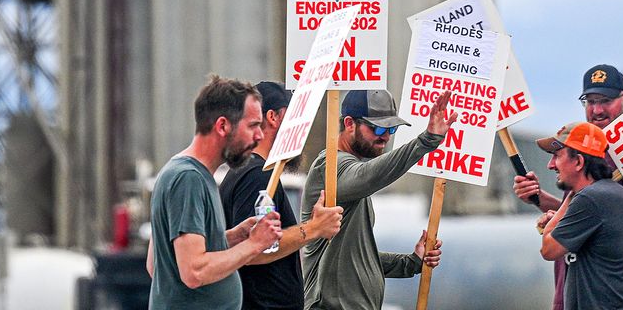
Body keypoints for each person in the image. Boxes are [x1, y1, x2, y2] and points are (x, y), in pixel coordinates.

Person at [513, 64, 623, 309]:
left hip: (608, 296)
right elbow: (580, 210)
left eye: (605, 100)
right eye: (589, 101)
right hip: (573, 292)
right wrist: (539, 199)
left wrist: (574, 224)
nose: (596, 110)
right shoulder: (582, 157)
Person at [299, 88, 452, 310]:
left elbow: (357, 259)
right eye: (377, 127)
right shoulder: (331, 167)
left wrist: (410, 263)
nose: (385, 137)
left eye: (391, 129)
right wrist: (426, 141)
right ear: (349, 123)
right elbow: (370, 175)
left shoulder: (351, 178)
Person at [146, 76, 284, 310]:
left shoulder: (187, 172)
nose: (260, 136)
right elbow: (194, 271)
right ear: (222, 126)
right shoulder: (188, 179)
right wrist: (254, 244)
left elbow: (158, 261)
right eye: (252, 126)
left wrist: (230, 238)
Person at [219, 81, 344, 310]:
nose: (300, 130)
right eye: (293, 118)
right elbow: (255, 248)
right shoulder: (256, 175)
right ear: (272, 117)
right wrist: (314, 228)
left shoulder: (254, 171)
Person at [535, 122, 623, 310]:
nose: (551, 165)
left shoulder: (589, 199)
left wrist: (569, 200)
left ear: (579, 162)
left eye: (557, 156)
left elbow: (548, 250)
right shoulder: (612, 197)